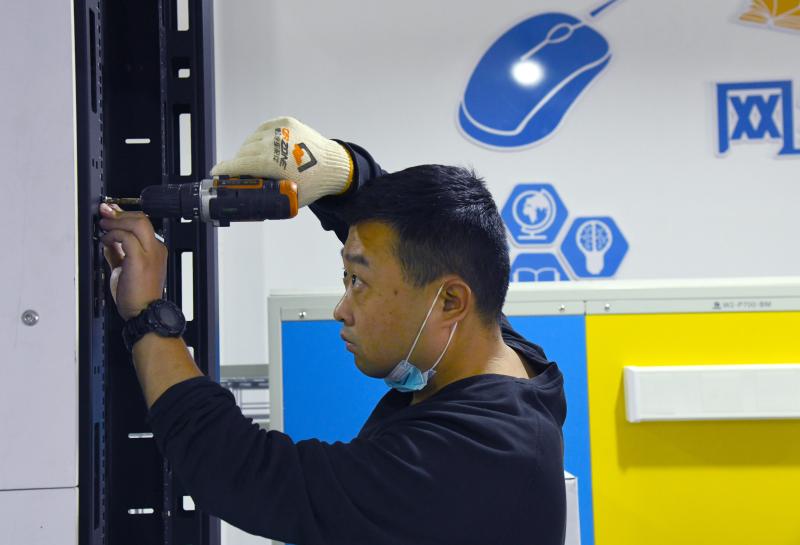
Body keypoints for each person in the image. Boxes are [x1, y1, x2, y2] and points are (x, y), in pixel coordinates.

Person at [98, 117, 567, 545]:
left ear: (449, 302)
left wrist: (148, 316)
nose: (342, 310)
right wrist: (340, 170)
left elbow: (241, 470)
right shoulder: (510, 360)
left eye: (358, 282)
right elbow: (418, 236)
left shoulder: (473, 461)